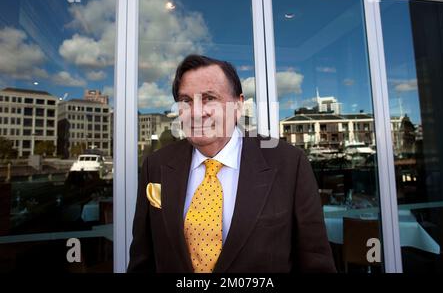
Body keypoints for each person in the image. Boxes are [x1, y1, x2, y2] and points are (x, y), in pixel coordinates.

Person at [128, 54, 336, 273]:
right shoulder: (156, 166)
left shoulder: (289, 163)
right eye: (186, 101)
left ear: (238, 105)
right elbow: (143, 260)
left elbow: (315, 262)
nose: (196, 112)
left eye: (209, 98)